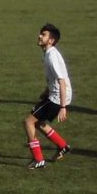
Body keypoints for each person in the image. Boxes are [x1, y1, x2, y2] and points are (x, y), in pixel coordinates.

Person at [24, 24, 73, 170]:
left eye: (43, 34)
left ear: (51, 40)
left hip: (57, 98)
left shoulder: (52, 56)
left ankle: (38, 160)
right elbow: (54, 79)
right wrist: (46, 91)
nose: (39, 36)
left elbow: (61, 81)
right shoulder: (47, 53)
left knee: (28, 122)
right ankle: (63, 146)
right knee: (38, 122)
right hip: (54, 94)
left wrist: (63, 107)